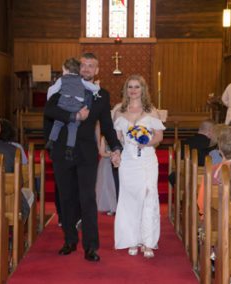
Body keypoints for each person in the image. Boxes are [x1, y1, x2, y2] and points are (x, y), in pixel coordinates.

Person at [44, 52, 122, 262]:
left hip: (87, 153)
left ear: (97, 70)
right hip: (62, 151)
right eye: (84, 65)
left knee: (88, 199)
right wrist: (74, 116)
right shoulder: (64, 86)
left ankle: (91, 246)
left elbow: (106, 125)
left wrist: (116, 146)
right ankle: (69, 241)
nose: (86, 69)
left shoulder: (102, 95)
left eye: (91, 66)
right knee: (67, 197)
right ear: (79, 68)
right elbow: (49, 111)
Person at [113, 75, 165, 258]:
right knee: (129, 199)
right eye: (130, 87)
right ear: (125, 90)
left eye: (137, 87)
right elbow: (117, 139)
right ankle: (132, 239)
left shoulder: (151, 111)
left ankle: (148, 241)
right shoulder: (119, 112)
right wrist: (116, 154)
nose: (133, 90)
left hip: (147, 160)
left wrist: (148, 142)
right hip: (127, 161)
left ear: (143, 89)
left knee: (149, 196)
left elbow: (159, 136)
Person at [45, 57, 100, 161]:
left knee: (57, 123)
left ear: (66, 69)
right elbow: (92, 88)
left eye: (63, 70)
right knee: (73, 128)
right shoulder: (81, 80)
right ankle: (70, 148)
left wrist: (49, 99)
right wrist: (97, 86)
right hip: (76, 106)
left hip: (64, 104)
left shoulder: (62, 79)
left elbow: (52, 89)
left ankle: (51, 141)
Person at [95, 122, 117, 215]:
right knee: (108, 185)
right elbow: (101, 152)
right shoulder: (104, 138)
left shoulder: (120, 136)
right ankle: (111, 207)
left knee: (116, 185)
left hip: (117, 162)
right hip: (106, 163)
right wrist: (111, 154)